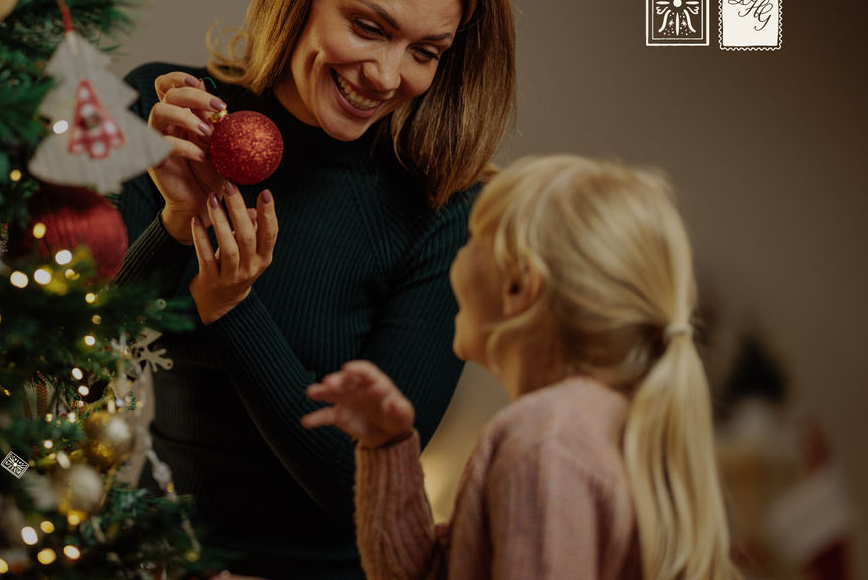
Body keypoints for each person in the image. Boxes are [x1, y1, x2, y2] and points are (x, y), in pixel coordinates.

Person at [113, 0, 516, 579]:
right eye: (369, 26)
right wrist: (174, 224)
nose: (388, 75)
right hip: (154, 562)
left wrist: (233, 309)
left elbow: (359, 488)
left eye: (425, 52)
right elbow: (79, 349)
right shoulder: (173, 115)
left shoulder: (445, 211)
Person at [302, 154, 738, 580]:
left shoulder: (544, 442)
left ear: (518, 286)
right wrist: (386, 445)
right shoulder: (602, 422)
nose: (454, 256)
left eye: (472, 239)